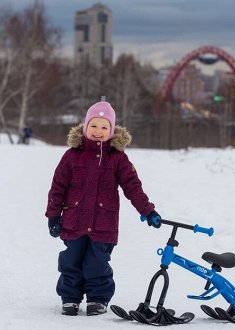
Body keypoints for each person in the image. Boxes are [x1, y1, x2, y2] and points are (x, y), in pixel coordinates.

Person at [45, 99, 161, 316]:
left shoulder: (118, 159)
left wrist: (148, 211)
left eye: (104, 127)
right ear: (85, 127)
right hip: (74, 220)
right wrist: (53, 216)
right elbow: (57, 187)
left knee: (97, 263)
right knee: (71, 260)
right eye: (94, 126)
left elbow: (132, 187)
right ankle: (70, 298)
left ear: (112, 131)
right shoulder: (71, 156)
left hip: (103, 223)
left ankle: (98, 299)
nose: (98, 131)